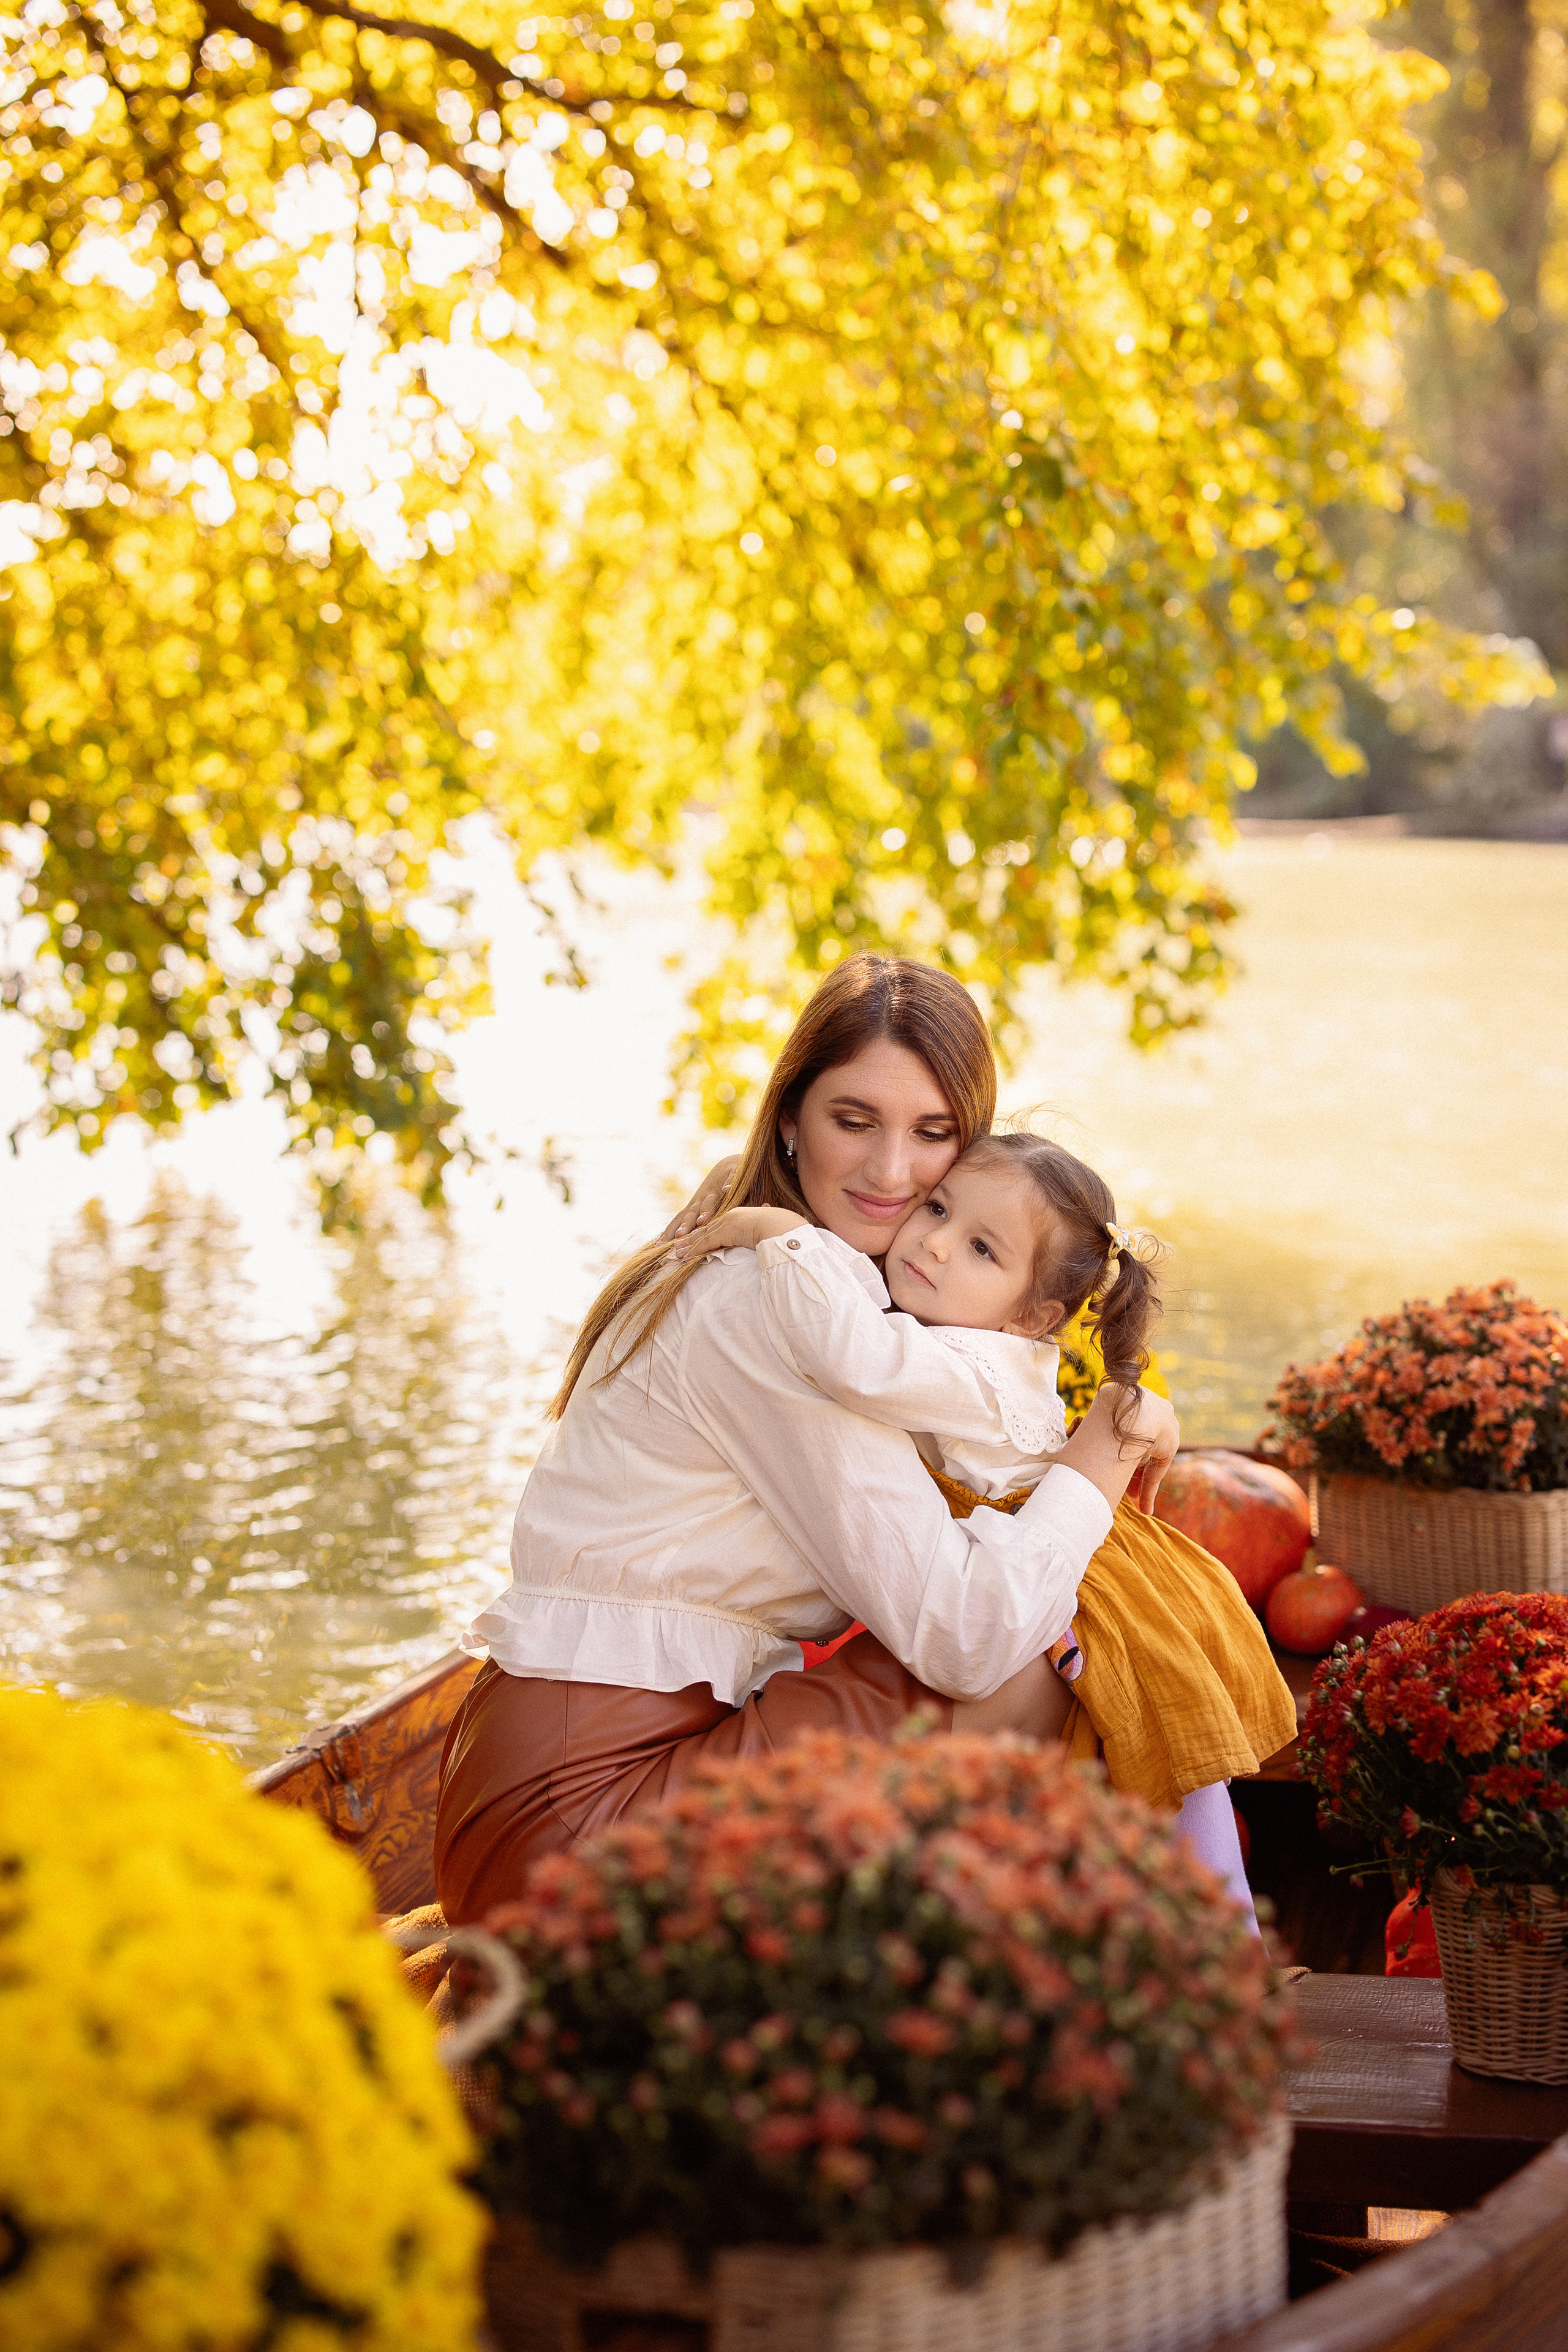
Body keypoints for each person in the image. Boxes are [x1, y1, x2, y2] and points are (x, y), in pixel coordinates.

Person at [434, 955, 1178, 1925]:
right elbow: (965, 1637)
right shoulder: (776, 1306)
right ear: (791, 1118)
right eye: (853, 1121)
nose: (890, 1173)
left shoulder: (821, 1282)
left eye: (934, 1135)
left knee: (1054, 1598)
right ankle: (937, 1998)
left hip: (588, 1769)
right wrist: (1105, 1454)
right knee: (1036, 1656)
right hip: (567, 1832)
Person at [673, 1126, 1298, 1914]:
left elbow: (852, 1355)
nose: (932, 1246)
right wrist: (748, 1172)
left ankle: (1210, 1942)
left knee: (1151, 1765)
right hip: (1066, 1549)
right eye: (935, 1209)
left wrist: (784, 1233)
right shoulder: (962, 1335)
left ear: (1032, 1318)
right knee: (1164, 1778)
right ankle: (1211, 1940)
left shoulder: (969, 1365)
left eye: (980, 1250)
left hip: (1060, 1573)